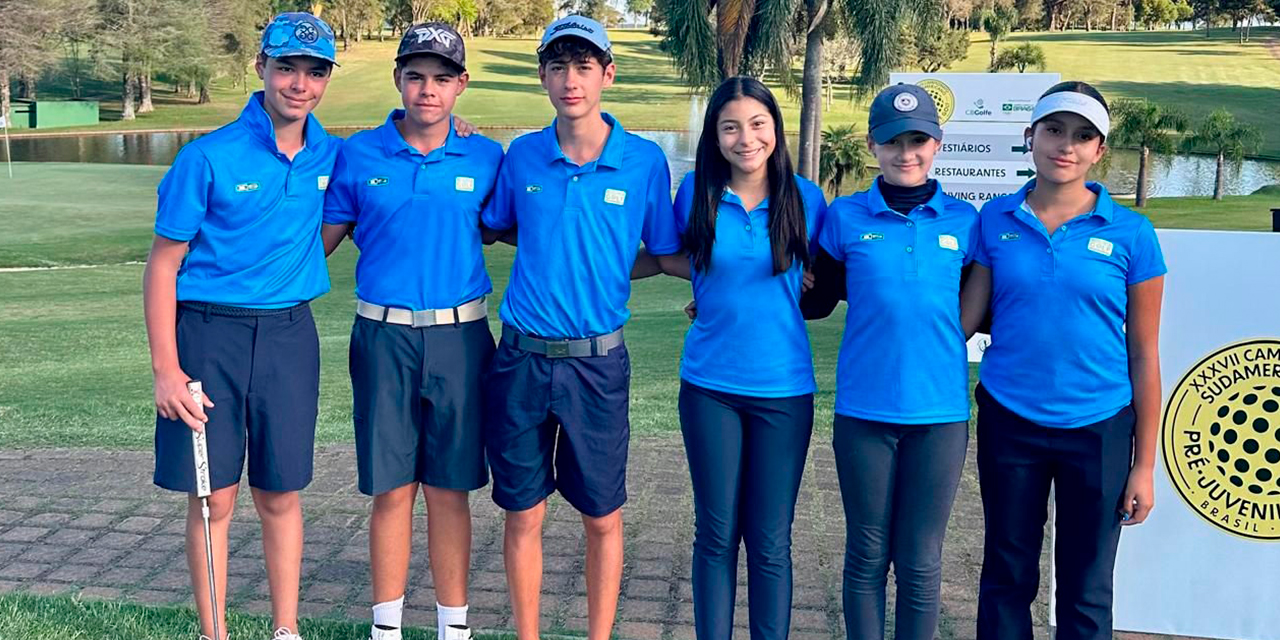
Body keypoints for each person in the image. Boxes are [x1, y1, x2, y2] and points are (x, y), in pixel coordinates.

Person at [478, 15, 683, 640]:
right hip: (519, 358)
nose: (571, 80)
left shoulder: (644, 162)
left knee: (601, 516)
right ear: (543, 75)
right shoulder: (521, 155)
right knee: (523, 513)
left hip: (597, 364)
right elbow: (501, 225)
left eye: (584, 66)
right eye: (559, 67)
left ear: (607, 75)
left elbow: (666, 252)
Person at [143, 12, 340, 640]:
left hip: (288, 338)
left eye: (314, 72)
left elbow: (406, 136)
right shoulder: (207, 157)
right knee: (213, 498)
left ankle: (287, 629)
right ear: (261, 68)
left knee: (280, 493)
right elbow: (162, 267)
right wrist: (167, 371)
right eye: (287, 68)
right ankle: (216, 632)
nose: (300, 84)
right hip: (208, 337)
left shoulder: (332, 152)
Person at [959, 81, 1166, 640]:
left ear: (1100, 151)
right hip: (1010, 419)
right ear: (1031, 137)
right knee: (1007, 573)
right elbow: (962, 319)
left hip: (1099, 427)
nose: (1065, 146)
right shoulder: (994, 220)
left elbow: (1144, 354)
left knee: (1087, 586)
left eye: (1082, 136)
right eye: (1053, 130)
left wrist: (1144, 465)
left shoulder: (1131, 233)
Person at [320, 22, 502, 640]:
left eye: (442, 79)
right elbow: (316, 244)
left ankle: (455, 627)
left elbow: (533, 224)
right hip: (383, 336)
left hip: (462, 338)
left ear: (461, 86)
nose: (429, 90)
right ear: (398, 79)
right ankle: (387, 627)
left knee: (451, 490)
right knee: (392, 490)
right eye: (417, 76)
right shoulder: (358, 154)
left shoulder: (486, 155)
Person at [799, 84, 978, 640]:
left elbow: (993, 308)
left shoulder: (965, 224)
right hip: (865, 412)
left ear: (937, 143)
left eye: (918, 139)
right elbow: (815, 299)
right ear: (874, 144)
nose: (907, 152)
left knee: (921, 561)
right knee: (868, 553)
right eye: (893, 140)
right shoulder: (845, 217)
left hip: (940, 416)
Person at [654, 75, 827, 640]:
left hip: (784, 391)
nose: (745, 138)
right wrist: (706, 291)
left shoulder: (808, 199)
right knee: (717, 532)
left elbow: (821, 280)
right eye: (730, 126)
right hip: (710, 389)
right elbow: (675, 257)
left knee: (771, 538)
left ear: (775, 128)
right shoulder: (695, 194)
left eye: (757, 124)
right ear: (715, 136)